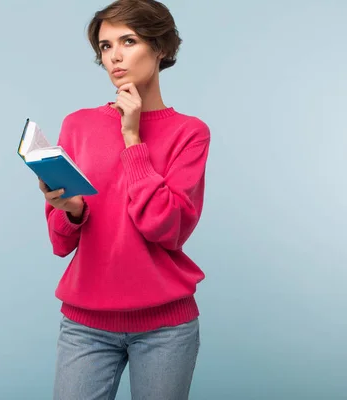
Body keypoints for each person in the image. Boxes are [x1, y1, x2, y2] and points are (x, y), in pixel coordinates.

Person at [39, 1, 211, 399]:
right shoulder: (78, 124)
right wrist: (73, 211)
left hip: (165, 329)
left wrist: (132, 139)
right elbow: (60, 242)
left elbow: (166, 229)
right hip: (85, 325)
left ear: (161, 48)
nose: (114, 56)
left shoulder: (190, 134)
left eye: (128, 41)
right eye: (105, 46)